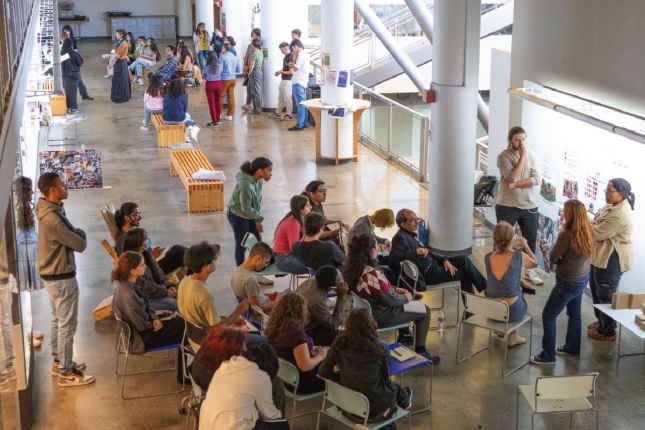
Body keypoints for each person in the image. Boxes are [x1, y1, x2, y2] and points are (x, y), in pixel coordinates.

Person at [35, 172, 93, 386]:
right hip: (62, 278)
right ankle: (66, 372)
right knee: (67, 324)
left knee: (57, 319)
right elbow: (80, 243)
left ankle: (59, 361)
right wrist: (82, 234)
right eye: (61, 184)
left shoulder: (50, 211)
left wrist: (77, 233)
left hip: (52, 276)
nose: (65, 186)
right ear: (52, 189)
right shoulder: (54, 219)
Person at [344, 234, 439, 363]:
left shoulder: (354, 268)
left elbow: (378, 290)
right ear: (372, 251)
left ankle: (405, 335)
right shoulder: (372, 274)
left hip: (367, 313)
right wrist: (407, 297)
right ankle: (421, 351)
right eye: (377, 247)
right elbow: (390, 300)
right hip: (381, 315)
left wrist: (394, 289)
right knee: (425, 310)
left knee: (413, 306)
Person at [318, 309, 413, 425]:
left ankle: (405, 397)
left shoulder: (338, 345)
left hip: (347, 405)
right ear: (371, 326)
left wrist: (340, 378)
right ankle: (405, 400)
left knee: (393, 390)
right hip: (374, 412)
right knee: (393, 389)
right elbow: (386, 381)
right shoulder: (380, 350)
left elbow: (323, 372)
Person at [530, 200, 593, 364]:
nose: (562, 213)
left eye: (565, 211)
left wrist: (561, 256)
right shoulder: (589, 231)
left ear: (570, 215)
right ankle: (572, 348)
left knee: (548, 316)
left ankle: (547, 355)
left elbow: (552, 257)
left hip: (567, 281)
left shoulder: (566, 235)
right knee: (575, 314)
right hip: (581, 278)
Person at [177, 242, 266, 350]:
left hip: (193, 338)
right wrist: (238, 311)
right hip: (208, 345)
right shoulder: (203, 294)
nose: (215, 262)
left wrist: (231, 319)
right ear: (206, 266)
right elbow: (216, 329)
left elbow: (204, 318)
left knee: (250, 332)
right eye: (214, 259)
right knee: (264, 341)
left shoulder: (184, 282)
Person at [111, 252, 185, 376]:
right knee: (185, 327)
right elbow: (142, 326)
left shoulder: (127, 284)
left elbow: (147, 305)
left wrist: (155, 316)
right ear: (133, 271)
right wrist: (157, 320)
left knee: (180, 321)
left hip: (141, 328)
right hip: (142, 338)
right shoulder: (129, 295)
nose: (145, 267)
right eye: (142, 265)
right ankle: (184, 375)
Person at [389, 209, 488, 300]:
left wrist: (444, 260)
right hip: (430, 273)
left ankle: (486, 287)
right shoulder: (400, 237)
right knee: (465, 274)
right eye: (412, 220)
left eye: (416, 218)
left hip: (435, 264)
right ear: (403, 224)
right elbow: (394, 257)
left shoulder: (409, 234)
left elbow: (429, 252)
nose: (416, 222)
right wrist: (415, 252)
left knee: (463, 258)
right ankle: (472, 307)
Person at [587, 178, 635, 342]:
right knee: (596, 289)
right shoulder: (612, 205)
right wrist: (593, 226)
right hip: (600, 254)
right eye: (606, 191)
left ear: (620, 193)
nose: (606, 194)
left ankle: (608, 331)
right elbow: (595, 224)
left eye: (609, 191)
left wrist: (591, 226)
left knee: (606, 294)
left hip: (612, 259)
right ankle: (602, 322)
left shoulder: (621, 213)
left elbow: (597, 233)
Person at [199, 340, 285, 430]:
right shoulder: (261, 376)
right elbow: (269, 415)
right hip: (232, 426)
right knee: (281, 424)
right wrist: (280, 416)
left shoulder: (223, 368)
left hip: (206, 425)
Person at [495, 126, 543, 286]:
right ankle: (500, 266)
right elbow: (512, 176)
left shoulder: (533, 155)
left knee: (530, 237)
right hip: (507, 204)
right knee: (503, 237)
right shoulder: (503, 156)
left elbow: (536, 179)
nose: (521, 143)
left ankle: (529, 270)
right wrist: (522, 157)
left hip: (528, 205)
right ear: (510, 140)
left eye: (523, 139)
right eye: (517, 140)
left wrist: (515, 186)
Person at [486, 221, 538, 346]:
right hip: (512, 312)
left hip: (492, 311)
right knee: (518, 295)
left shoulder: (488, 257)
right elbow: (535, 263)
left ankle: (500, 330)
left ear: (494, 238)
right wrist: (525, 245)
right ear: (512, 238)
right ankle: (513, 337)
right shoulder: (519, 256)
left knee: (505, 293)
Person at [266, 293, 326, 394]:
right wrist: (321, 356)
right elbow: (305, 366)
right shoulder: (296, 334)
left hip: (283, 379)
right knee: (336, 369)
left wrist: (308, 349)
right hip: (302, 383)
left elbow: (290, 350)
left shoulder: (275, 327)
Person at [113, 202, 186, 275]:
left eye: (139, 214)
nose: (140, 217)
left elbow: (139, 252)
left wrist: (152, 253)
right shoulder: (126, 239)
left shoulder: (129, 234)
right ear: (126, 218)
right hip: (147, 270)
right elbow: (131, 263)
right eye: (136, 215)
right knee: (179, 251)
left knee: (180, 252)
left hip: (150, 263)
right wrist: (152, 256)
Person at [13, 177, 45, 348]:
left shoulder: (25, 208)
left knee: (24, 295)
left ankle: (27, 330)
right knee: (19, 295)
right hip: (21, 254)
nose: (32, 193)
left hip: (27, 251)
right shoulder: (16, 208)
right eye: (30, 190)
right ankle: (23, 333)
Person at [227, 157, 273, 266]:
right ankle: (241, 272)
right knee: (241, 245)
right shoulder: (245, 184)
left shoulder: (259, 180)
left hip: (249, 214)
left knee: (258, 244)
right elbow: (246, 208)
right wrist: (258, 216)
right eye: (269, 171)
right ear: (260, 171)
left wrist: (257, 222)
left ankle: (258, 270)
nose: (271, 174)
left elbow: (257, 202)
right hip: (238, 215)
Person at [120, 228, 179, 312]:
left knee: (183, 298)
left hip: (157, 292)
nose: (147, 240)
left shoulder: (146, 254)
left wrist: (168, 285)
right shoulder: (131, 265)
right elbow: (144, 287)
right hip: (146, 300)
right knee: (178, 305)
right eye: (145, 239)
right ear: (137, 243)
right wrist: (165, 292)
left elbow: (159, 272)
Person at [296, 265, 348, 346]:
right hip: (305, 331)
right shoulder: (317, 301)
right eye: (339, 279)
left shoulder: (313, 279)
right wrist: (341, 297)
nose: (342, 279)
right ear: (330, 288)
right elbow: (334, 325)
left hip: (302, 319)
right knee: (342, 337)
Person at [231, 242, 283, 314]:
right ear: (259, 258)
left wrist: (272, 295)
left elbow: (253, 296)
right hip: (265, 315)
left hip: (264, 303)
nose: (265, 266)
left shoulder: (238, 271)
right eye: (266, 262)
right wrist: (277, 301)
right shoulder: (249, 279)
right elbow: (257, 311)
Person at [273, 195, 311, 274]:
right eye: (307, 206)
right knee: (319, 267)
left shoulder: (293, 217)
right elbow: (294, 249)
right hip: (285, 259)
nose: (311, 207)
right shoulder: (293, 223)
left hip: (283, 256)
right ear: (300, 209)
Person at [61, 25, 93, 100]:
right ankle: (65, 97)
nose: (66, 32)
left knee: (79, 79)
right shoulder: (61, 40)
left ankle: (84, 94)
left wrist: (72, 53)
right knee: (65, 82)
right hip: (65, 63)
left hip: (72, 61)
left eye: (67, 31)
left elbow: (75, 50)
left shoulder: (73, 40)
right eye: (64, 31)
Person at [288, 39, 310, 131]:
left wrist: (291, 65)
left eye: (293, 48)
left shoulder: (301, 55)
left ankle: (299, 125)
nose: (293, 50)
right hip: (303, 81)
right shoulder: (305, 54)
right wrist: (294, 61)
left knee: (300, 104)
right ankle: (304, 122)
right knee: (303, 104)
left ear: (296, 46)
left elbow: (296, 69)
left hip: (298, 82)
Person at [268, 42, 293, 121]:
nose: (281, 51)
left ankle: (289, 114)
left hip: (288, 80)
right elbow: (286, 69)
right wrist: (280, 71)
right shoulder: (286, 57)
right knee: (281, 98)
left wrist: (281, 72)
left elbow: (291, 72)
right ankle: (277, 113)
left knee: (288, 98)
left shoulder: (290, 57)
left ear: (286, 49)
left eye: (282, 50)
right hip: (284, 80)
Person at [60, 36, 83, 114]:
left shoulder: (61, 54)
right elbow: (80, 63)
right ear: (71, 45)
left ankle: (68, 107)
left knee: (67, 91)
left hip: (65, 75)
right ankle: (74, 108)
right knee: (73, 91)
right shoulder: (74, 53)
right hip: (74, 74)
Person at [108, 29, 132, 104]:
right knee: (119, 80)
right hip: (121, 63)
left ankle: (120, 97)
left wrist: (112, 63)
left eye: (117, 34)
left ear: (121, 35)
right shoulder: (121, 42)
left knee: (119, 80)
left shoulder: (123, 43)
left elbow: (118, 55)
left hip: (121, 64)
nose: (116, 36)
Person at [242, 28, 262, 112]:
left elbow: (253, 61)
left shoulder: (258, 48)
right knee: (249, 88)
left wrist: (250, 70)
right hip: (251, 68)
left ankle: (256, 108)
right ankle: (248, 103)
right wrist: (245, 66)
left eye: (256, 35)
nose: (254, 36)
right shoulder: (250, 46)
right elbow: (246, 56)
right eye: (253, 35)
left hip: (254, 70)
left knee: (255, 90)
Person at [203, 51, 223, 127]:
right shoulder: (220, 65)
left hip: (209, 84)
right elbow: (221, 72)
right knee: (218, 102)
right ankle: (218, 119)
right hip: (218, 84)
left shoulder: (206, 66)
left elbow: (203, 76)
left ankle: (214, 121)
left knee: (212, 104)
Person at [219, 43, 237, 121]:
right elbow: (238, 69)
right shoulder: (235, 57)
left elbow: (219, 69)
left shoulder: (222, 57)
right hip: (233, 78)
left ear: (225, 49)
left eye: (222, 48)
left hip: (224, 79)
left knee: (221, 96)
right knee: (231, 96)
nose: (221, 49)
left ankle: (218, 114)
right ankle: (229, 115)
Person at [247, 40, 264, 114]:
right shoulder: (260, 52)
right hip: (260, 72)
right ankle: (257, 108)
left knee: (255, 91)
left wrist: (249, 73)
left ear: (253, 45)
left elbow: (252, 65)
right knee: (258, 90)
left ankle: (257, 109)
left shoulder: (254, 54)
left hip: (254, 72)